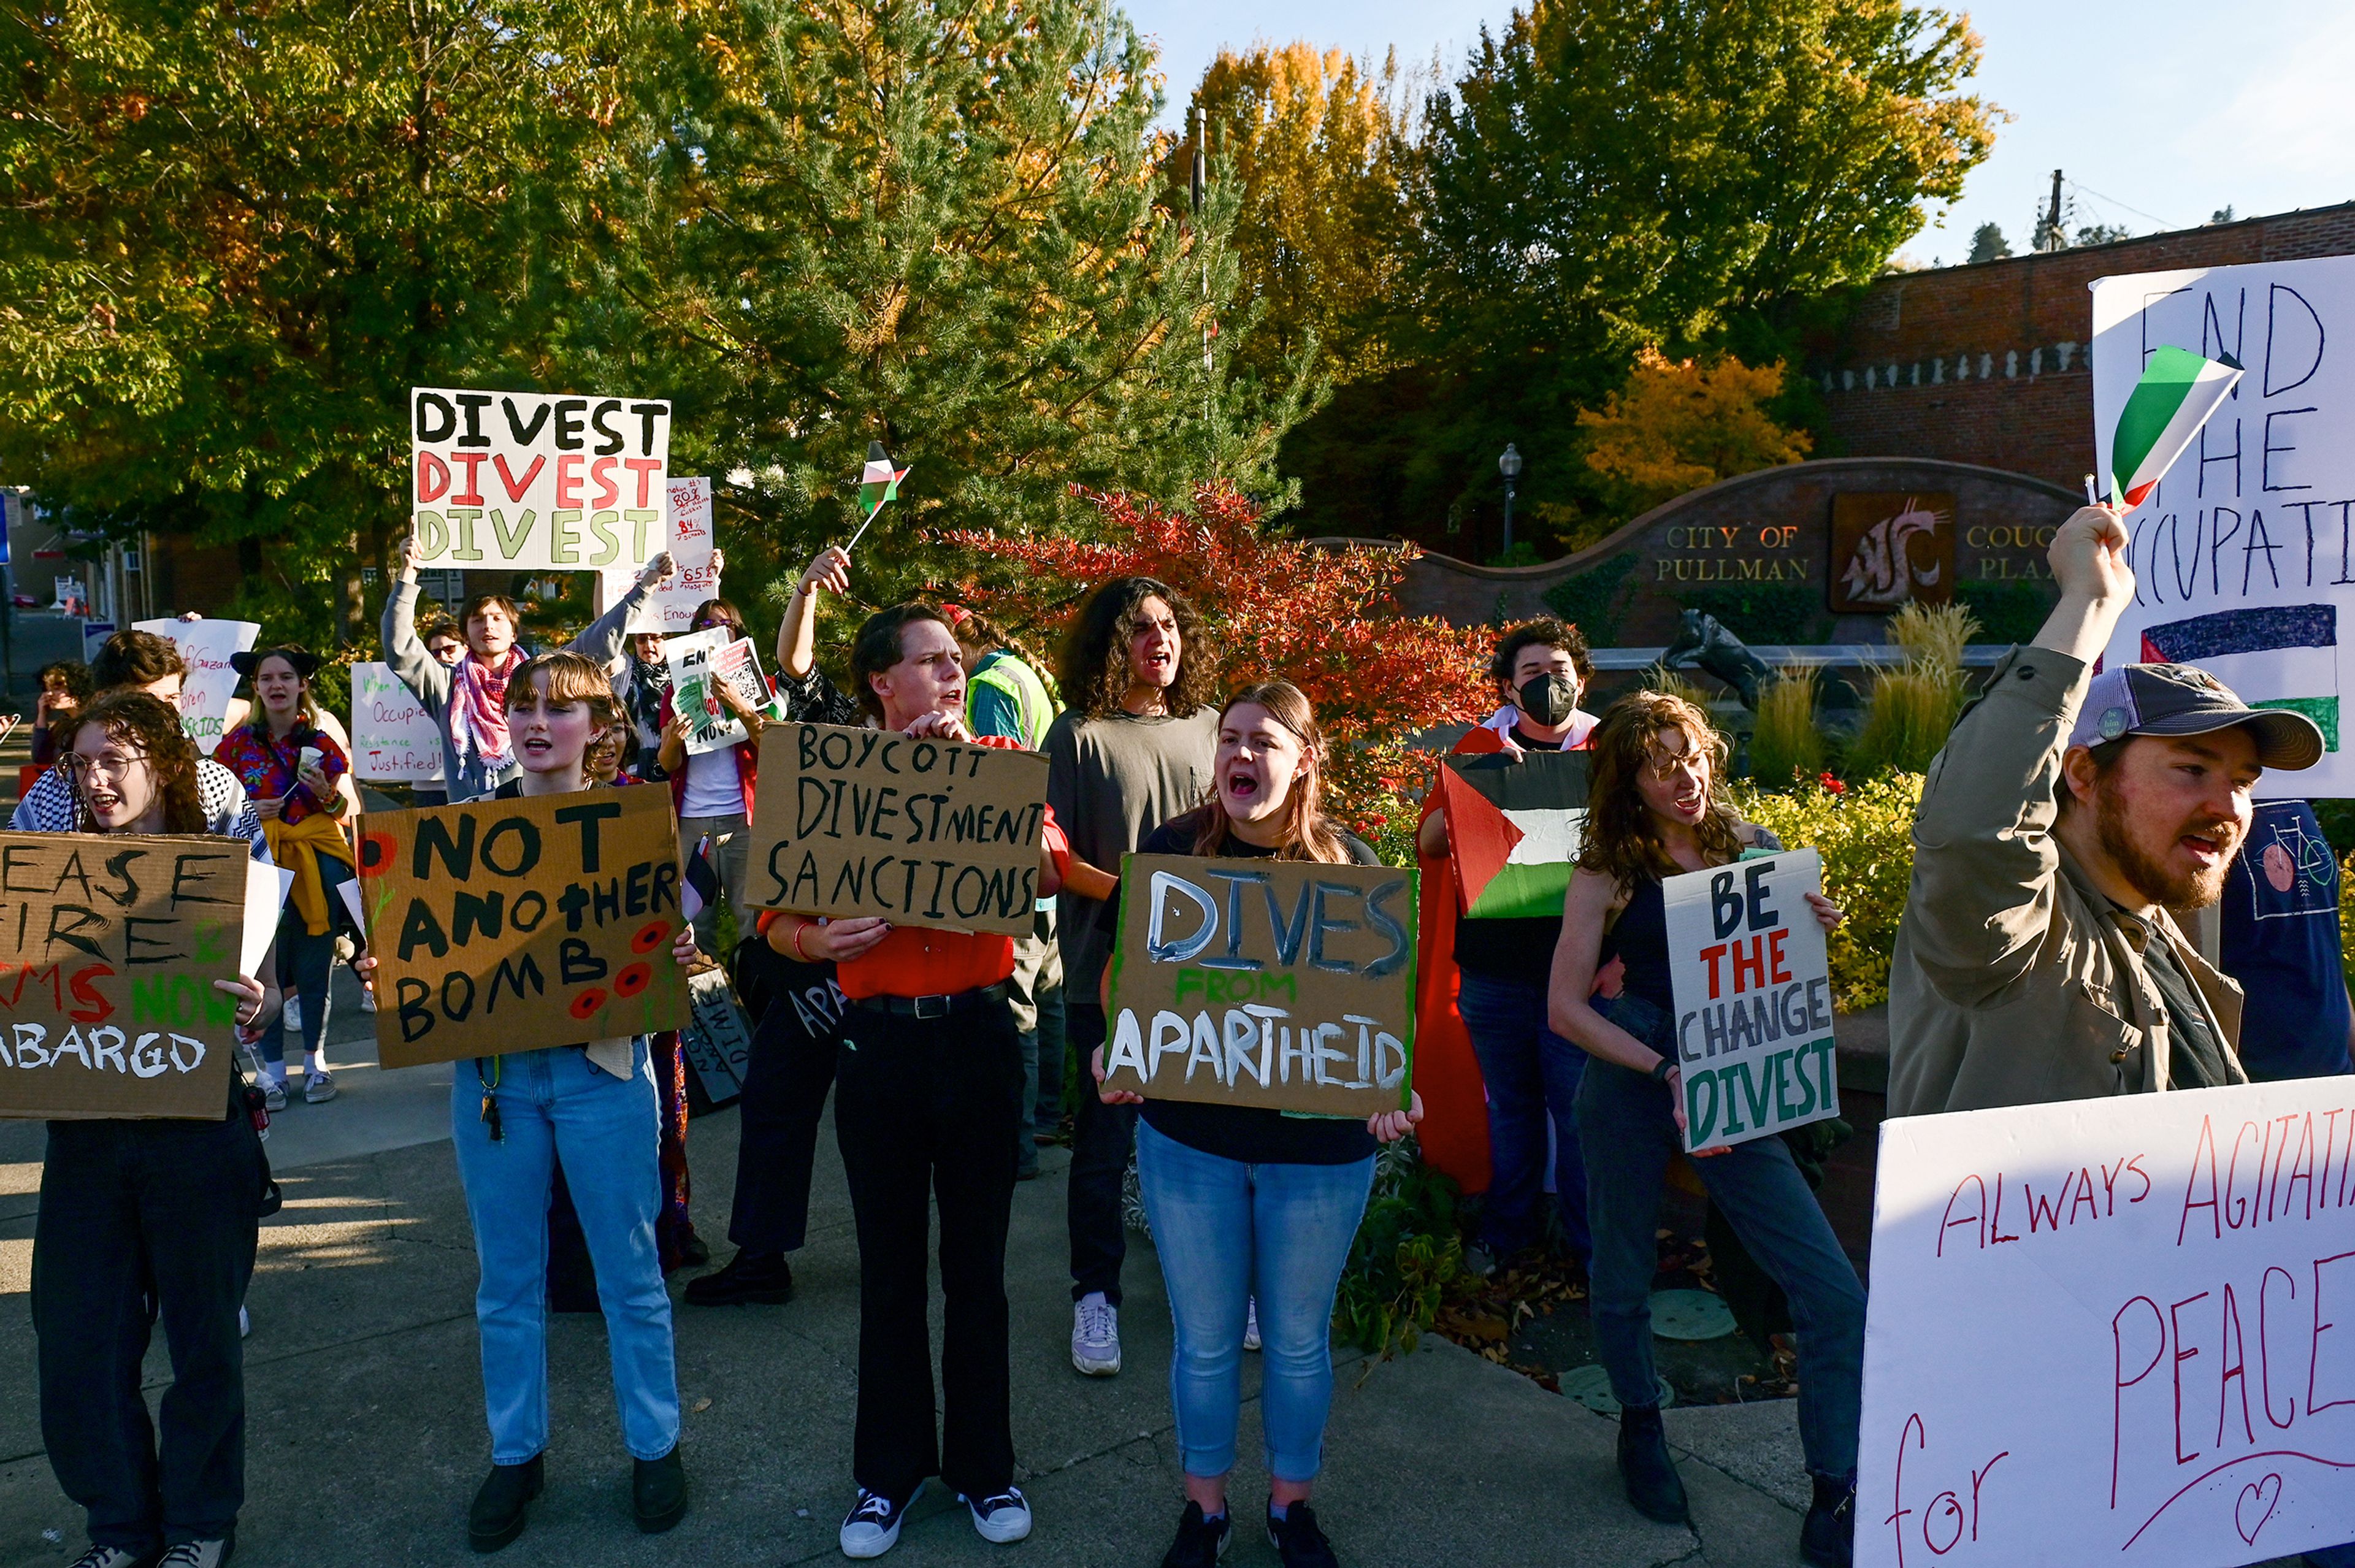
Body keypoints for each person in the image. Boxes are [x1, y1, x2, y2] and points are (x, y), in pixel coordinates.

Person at [361, 651, 690, 1551]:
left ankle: (655, 1443)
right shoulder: (460, 835)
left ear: (602, 728)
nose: (541, 722)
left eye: (564, 708)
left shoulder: (632, 827)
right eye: (526, 705)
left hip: (604, 1076)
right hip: (496, 1085)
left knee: (631, 1271)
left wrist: (679, 942)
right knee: (507, 1282)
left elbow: (674, 931)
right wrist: (388, 967)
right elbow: (416, 949)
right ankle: (517, 1454)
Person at [1092, 682, 1425, 1568]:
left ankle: (1290, 1507)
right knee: (1204, 1344)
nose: (1242, 755)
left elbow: (1378, 1023)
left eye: (1264, 741)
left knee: (1296, 1343)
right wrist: (1116, 1046)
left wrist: (1393, 1090)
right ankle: (1204, 1511)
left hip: (1318, 1154)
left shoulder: (1353, 866)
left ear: (1305, 758)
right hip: (1189, 1144)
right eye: (1230, 739)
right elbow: (1126, 974)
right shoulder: (1171, 852)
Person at [763, 602, 1069, 1559]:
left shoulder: (1001, 761)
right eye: (931, 663)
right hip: (880, 1049)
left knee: (978, 1269)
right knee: (889, 1270)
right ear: (880, 684)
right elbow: (775, 919)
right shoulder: (826, 779)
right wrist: (818, 939)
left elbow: (1052, 873)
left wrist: (968, 769)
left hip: (980, 1038)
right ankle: (885, 1476)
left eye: (957, 662)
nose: (950, 675)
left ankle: (986, 1469)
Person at [1548, 690, 1865, 1566]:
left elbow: (1774, 975)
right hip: (1635, 1074)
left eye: (1688, 756)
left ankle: (1835, 1487)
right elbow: (1566, 1008)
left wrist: (1814, 927)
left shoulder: (1751, 846)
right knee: (1620, 1270)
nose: (1680, 777)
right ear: (1629, 779)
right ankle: (1640, 1424)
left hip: (1733, 1074)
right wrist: (1663, 1070)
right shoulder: (1605, 870)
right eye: (1657, 765)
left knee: (1834, 1293)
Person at [1886, 505, 2323, 1115]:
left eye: (2244, 782)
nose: (2228, 807)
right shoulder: (2015, 930)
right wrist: (2087, 605)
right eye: (2192, 769)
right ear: (2085, 774)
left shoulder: (2155, 935)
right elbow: (1977, 831)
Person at [33, 692, 277, 1568]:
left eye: (115, 760)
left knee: (204, 1339)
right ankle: (120, 1526)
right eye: (83, 763)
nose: (97, 780)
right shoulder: (44, 876)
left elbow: (271, 994)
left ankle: (200, 1524)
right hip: (87, 1135)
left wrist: (258, 1001)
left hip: (196, 1128)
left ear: (164, 764)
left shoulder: (223, 864)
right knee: (79, 1342)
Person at [1046, 576, 1219, 1378]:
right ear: (1112, 643)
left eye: (1171, 624)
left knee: (1219, 1141)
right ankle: (1096, 1297)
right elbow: (1050, 861)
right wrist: (1143, 898)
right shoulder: (1076, 736)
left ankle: (1227, 1293)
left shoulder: (1214, 730)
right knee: (1107, 1146)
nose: (1162, 639)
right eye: (1143, 627)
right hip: (1105, 974)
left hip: (1210, 977)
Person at [1415, 619, 1601, 1268]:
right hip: (1495, 972)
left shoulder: (1608, 749)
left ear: (1583, 676)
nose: (1550, 683)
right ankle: (1509, 1235)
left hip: (1580, 974)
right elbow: (1430, 843)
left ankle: (1588, 1250)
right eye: (1533, 674)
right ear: (1509, 687)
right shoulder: (1479, 746)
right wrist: (1481, 785)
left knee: (1580, 1118)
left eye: (1560, 669)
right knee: (1513, 1112)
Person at [380, 534, 672, 801]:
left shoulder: (544, 677)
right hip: (471, 828)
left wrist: (646, 586)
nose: (488, 626)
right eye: (478, 620)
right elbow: (400, 649)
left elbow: (597, 642)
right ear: (466, 635)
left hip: (541, 813)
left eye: (497, 618)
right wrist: (408, 573)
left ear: (514, 632)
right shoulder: (447, 687)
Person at [946, 601, 1066, 1178]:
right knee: (1049, 998)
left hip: (1017, 871)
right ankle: (1049, 1114)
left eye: (949, 654)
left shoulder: (990, 685)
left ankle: (1019, 1141)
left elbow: (997, 781)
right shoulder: (1026, 671)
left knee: (1019, 1009)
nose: (949, 672)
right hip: (1047, 860)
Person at [213, 646, 359, 1110]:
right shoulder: (234, 747)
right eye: (266, 677)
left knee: (315, 968)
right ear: (254, 687)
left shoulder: (323, 744)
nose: (277, 685)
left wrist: (326, 797)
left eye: (286, 677)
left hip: (315, 863)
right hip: (259, 867)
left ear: (302, 685)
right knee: (262, 970)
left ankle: (317, 1062)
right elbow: (212, 807)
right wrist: (251, 811)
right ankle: (271, 1070)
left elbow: (345, 812)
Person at [14, 631, 268, 858]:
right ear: (104, 699)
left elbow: (262, 894)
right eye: (146, 700)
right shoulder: (53, 791)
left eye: (172, 698)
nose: (162, 712)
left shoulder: (215, 784)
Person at [655, 597, 778, 955]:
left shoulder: (761, 683)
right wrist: (674, 740)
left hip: (745, 821)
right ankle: (706, 1003)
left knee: (751, 919)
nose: (714, 632)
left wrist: (740, 706)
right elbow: (667, 764)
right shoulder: (676, 690)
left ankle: (754, 996)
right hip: (693, 822)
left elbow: (773, 747)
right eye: (705, 626)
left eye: (723, 624)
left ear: (737, 633)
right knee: (696, 922)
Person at [31, 657, 93, 764]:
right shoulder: (62, 725)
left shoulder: (94, 722)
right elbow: (40, 759)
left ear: (76, 688)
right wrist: (42, 715)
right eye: (47, 689)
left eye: (56, 689)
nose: (49, 694)